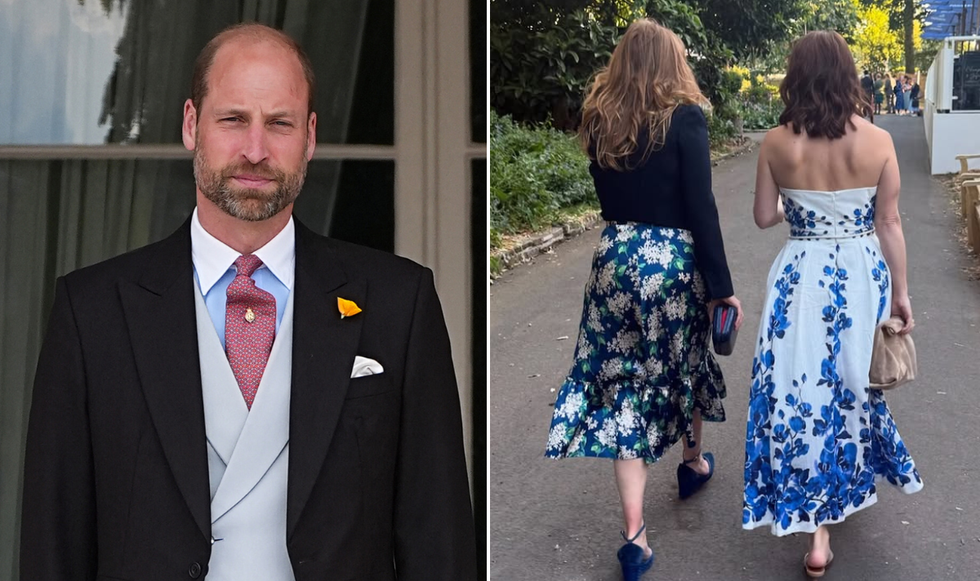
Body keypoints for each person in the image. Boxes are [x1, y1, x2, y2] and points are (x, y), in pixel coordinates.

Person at [20, 23, 477, 581]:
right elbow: (53, 542)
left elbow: (439, 540)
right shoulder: (91, 311)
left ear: (309, 136)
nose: (255, 150)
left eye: (279, 123)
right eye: (233, 119)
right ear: (192, 125)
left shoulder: (398, 302)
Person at [544, 18, 743, 581]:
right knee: (688, 362)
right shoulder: (685, 119)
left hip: (614, 257)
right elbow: (701, 207)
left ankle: (634, 537)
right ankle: (691, 461)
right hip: (671, 261)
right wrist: (721, 288)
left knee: (624, 382)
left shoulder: (601, 119)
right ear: (673, 61)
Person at [743, 31, 922, 579]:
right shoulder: (878, 141)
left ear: (795, 77)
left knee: (800, 387)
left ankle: (814, 530)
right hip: (861, 277)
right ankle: (840, 493)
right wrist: (901, 292)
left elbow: (763, 217)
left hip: (801, 275)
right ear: (848, 75)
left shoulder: (776, 143)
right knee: (852, 383)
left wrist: (802, 206)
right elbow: (888, 221)